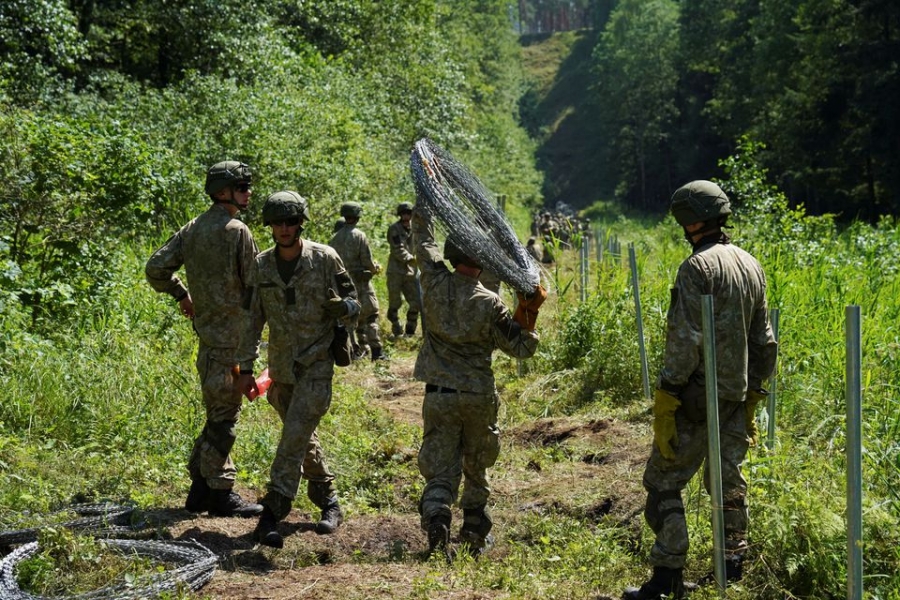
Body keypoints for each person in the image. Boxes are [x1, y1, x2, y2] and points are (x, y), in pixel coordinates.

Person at [623, 180, 777, 599]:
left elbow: (684, 339)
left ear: (689, 221)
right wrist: (754, 394)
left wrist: (667, 396)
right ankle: (732, 567)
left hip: (695, 397)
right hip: (737, 394)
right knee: (728, 483)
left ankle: (667, 575)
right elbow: (764, 340)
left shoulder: (697, 268)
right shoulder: (751, 263)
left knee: (662, 481)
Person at [411, 203, 545, 560]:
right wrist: (530, 314)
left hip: (439, 393)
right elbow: (520, 348)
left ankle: (438, 512)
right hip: (478, 396)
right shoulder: (491, 304)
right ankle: (472, 529)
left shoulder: (434, 283)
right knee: (476, 465)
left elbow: (422, 242)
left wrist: (425, 205)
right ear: (483, 260)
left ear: (453, 256)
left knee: (440, 466)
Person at [145, 160, 263, 518]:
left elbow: (155, 268)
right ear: (224, 192)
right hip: (232, 345)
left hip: (209, 341)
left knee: (219, 414)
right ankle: (219, 493)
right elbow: (256, 286)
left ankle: (199, 489)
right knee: (224, 420)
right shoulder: (236, 231)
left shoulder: (192, 228)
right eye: (243, 187)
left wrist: (182, 294)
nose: (249, 193)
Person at [243, 191, 361, 548]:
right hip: (281, 368)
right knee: (302, 439)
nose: (283, 229)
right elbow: (252, 321)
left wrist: (344, 308)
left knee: (293, 436)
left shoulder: (325, 258)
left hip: (316, 364)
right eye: (277, 223)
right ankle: (329, 501)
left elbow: (355, 304)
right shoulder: (261, 265)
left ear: (301, 223)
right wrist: (245, 368)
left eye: (290, 222)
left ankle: (271, 512)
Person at [329, 202, 386, 361]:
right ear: (357, 216)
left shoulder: (334, 238)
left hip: (343, 285)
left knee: (348, 319)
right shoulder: (359, 235)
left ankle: (352, 352)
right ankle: (377, 351)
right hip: (361, 283)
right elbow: (367, 260)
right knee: (371, 316)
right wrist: (375, 269)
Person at [385, 202, 421, 337]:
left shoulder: (415, 228)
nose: (406, 217)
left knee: (416, 302)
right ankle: (395, 326)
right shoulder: (394, 229)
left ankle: (410, 330)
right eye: (403, 214)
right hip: (395, 271)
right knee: (395, 302)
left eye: (408, 214)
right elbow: (397, 249)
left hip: (410, 272)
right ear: (400, 215)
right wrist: (411, 259)